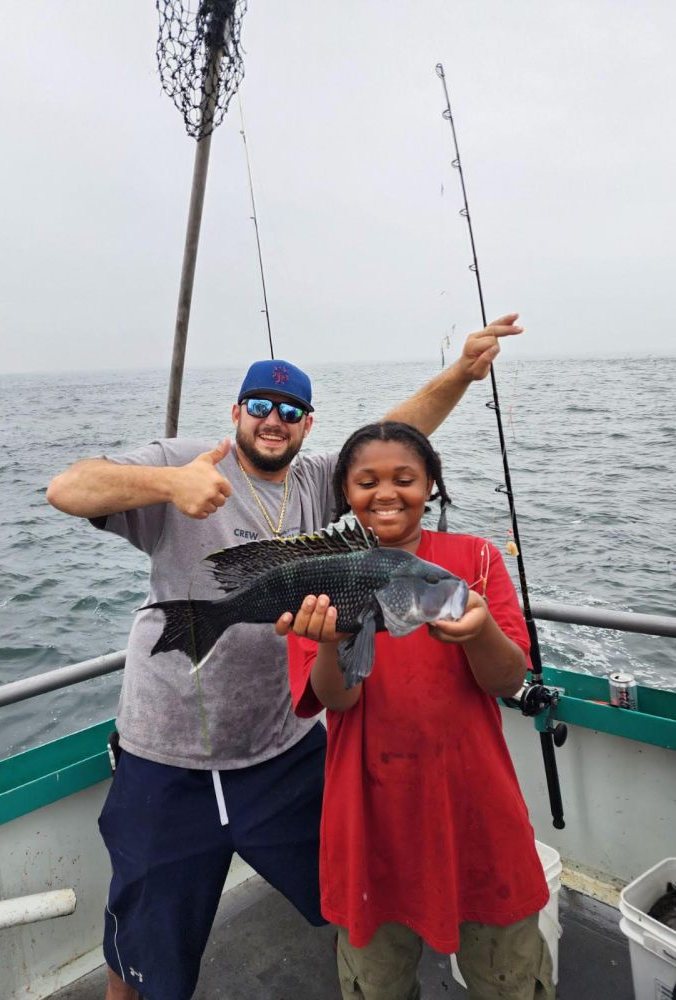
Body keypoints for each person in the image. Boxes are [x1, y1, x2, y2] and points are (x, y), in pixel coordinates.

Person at [45, 314, 523, 1000]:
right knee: (145, 945)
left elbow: (392, 439)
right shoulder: (184, 460)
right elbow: (68, 488)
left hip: (281, 751)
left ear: (307, 424)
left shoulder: (313, 481)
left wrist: (462, 371)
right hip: (167, 758)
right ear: (238, 411)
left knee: (350, 894)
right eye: (262, 406)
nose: (276, 420)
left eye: (292, 411)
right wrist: (169, 486)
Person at [277, 420, 554, 1000]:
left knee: (510, 981)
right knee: (377, 985)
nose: (386, 493)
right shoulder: (323, 575)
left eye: (405, 478)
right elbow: (337, 698)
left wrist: (478, 633)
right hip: (368, 816)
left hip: (477, 807)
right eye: (366, 480)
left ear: (430, 484)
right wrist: (328, 638)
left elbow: (507, 679)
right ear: (345, 492)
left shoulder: (475, 559)